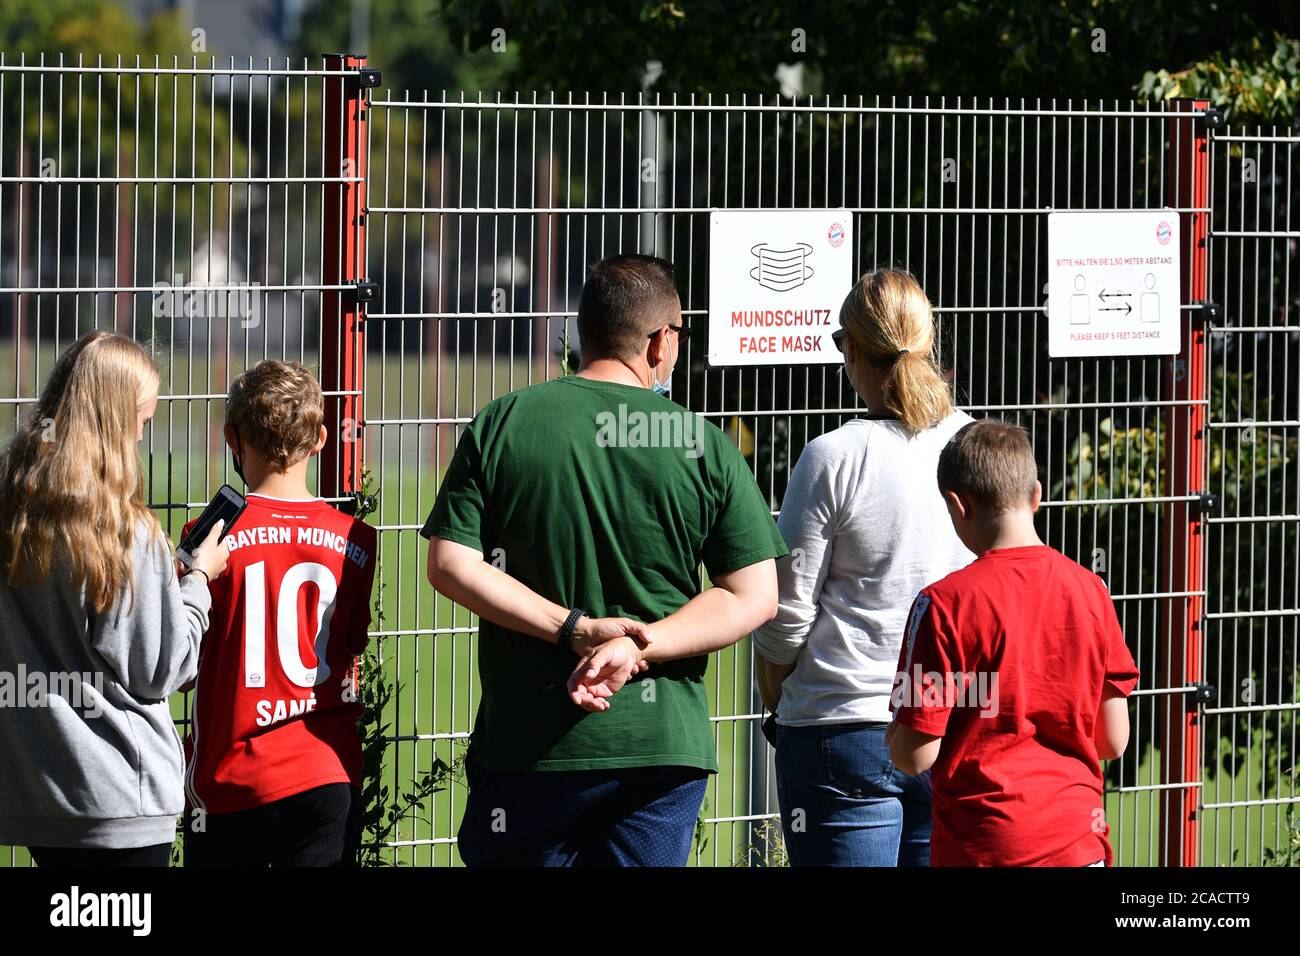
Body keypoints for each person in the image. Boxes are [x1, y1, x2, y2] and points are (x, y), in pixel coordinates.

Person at [422, 253, 787, 867]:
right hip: (659, 748)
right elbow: (754, 596)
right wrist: (640, 645)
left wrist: (573, 630)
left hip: (529, 746)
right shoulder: (701, 443)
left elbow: (449, 564)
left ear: (585, 330)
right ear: (659, 342)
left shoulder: (504, 422)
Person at [752, 268, 974, 867]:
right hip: (950, 719)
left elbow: (785, 610)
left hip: (841, 726)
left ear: (851, 349)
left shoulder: (831, 456)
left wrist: (778, 692)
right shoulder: (976, 447)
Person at [0, 330, 228, 866]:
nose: (142, 439)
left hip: (40, 792)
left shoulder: (14, 517)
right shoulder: (126, 532)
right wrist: (196, 584)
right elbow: (160, 667)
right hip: (122, 799)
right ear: (112, 424)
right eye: (141, 423)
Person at [887, 419, 1140, 866]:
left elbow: (916, 753)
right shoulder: (1093, 592)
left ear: (956, 505)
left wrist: (895, 738)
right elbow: (1113, 740)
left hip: (985, 846)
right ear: (1036, 495)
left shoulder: (943, 604)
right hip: (1078, 841)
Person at [183, 361, 377, 867]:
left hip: (235, 776)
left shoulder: (208, 538)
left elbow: (182, 669)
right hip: (325, 770)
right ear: (320, 439)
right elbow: (350, 644)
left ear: (231, 437)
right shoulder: (356, 540)